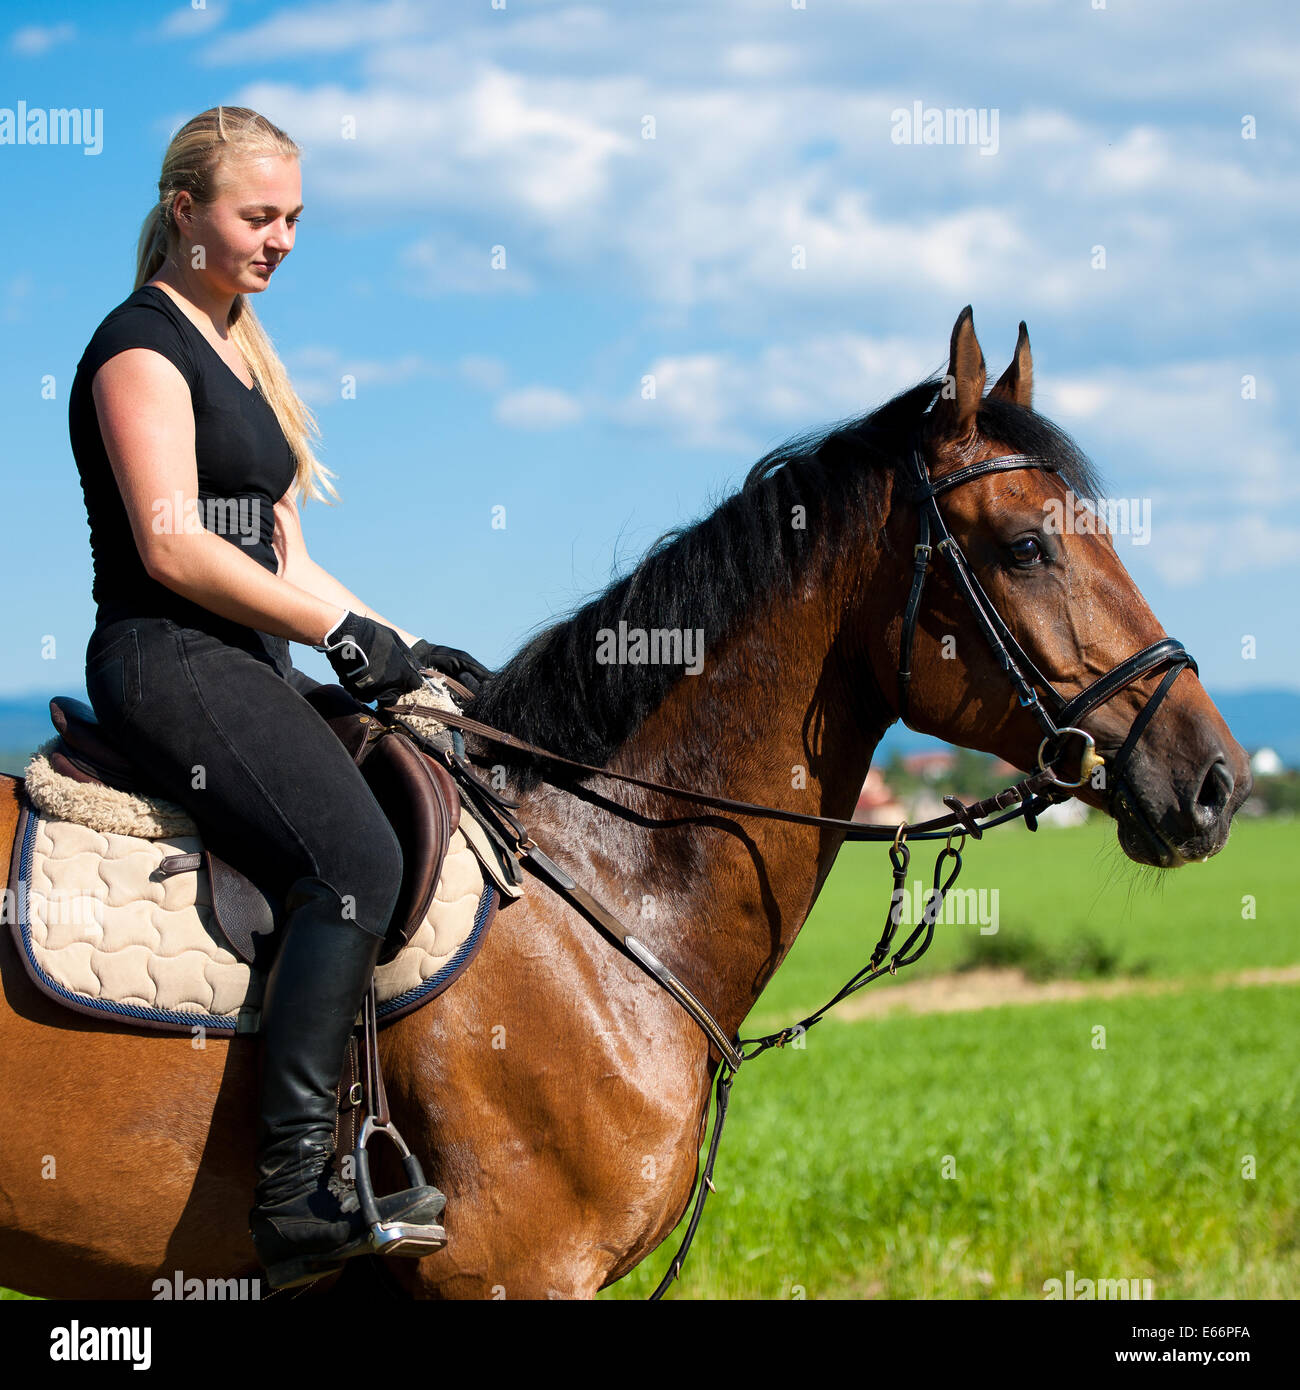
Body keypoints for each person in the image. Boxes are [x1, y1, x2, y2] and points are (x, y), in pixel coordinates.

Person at [67, 106, 490, 1290]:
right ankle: (297, 1189)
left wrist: (411, 645)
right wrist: (335, 635)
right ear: (183, 211)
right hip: (169, 656)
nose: (283, 238)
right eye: (260, 215)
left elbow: (285, 560)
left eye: (295, 216)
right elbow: (173, 547)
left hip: (251, 656)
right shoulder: (140, 347)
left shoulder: (239, 344)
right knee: (352, 857)